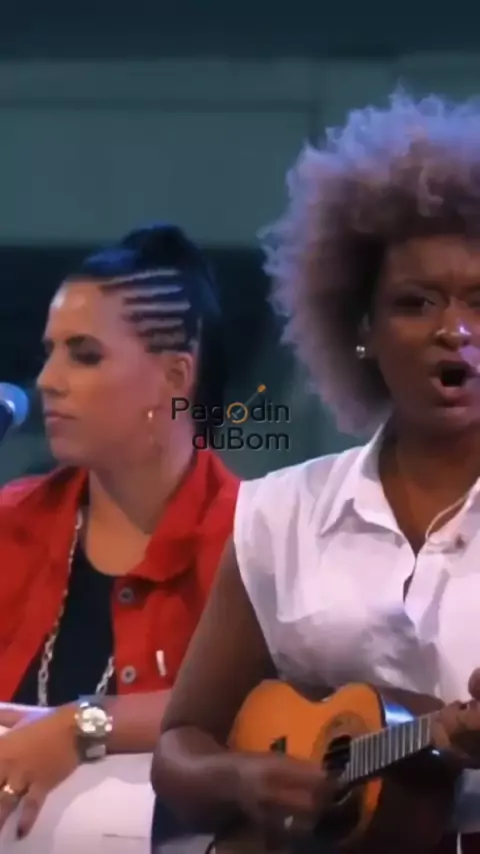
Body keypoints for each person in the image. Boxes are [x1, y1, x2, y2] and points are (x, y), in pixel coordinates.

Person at [152, 92, 480, 850]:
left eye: (479, 301)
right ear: (361, 327)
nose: (455, 330)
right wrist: (242, 780)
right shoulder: (280, 514)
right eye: (416, 302)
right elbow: (180, 745)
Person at [0, 222, 239, 838]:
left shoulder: (253, 536)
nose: (47, 379)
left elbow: (252, 703)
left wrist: (82, 725)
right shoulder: (11, 522)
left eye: (84, 354)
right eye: (50, 351)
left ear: (175, 378)